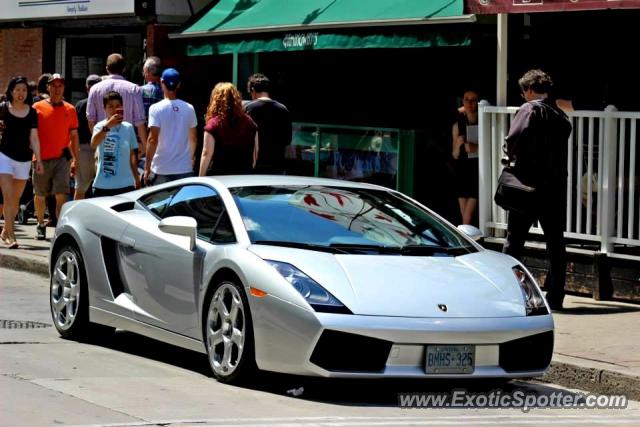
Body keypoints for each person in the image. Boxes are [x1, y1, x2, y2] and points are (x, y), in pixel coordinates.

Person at [502, 69, 572, 310]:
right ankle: (556, 296)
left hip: (528, 186)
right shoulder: (560, 116)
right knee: (555, 242)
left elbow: (514, 139)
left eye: (523, 92)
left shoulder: (529, 109)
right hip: (554, 188)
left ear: (529, 90)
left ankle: (507, 290)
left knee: (514, 241)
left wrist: (512, 156)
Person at [32, 73, 79, 240]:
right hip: (41, 158)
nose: (57, 89)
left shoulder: (70, 109)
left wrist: (75, 160)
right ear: (48, 87)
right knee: (40, 194)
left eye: (60, 86)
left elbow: (74, 136)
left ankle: (59, 227)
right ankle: (40, 223)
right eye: (54, 85)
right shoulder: (36, 108)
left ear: (64, 88)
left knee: (61, 194)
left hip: (61, 159)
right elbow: (31, 134)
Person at [0, 76, 44, 248]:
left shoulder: (32, 112)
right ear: (11, 91)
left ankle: (5, 231)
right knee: (8, 196)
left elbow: (34, 137)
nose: (20, 93)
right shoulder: (3, 108)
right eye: (17, 89)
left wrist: (38, 160)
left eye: (24, 90)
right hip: (4, 156)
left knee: (15, 201)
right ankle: (11, 236)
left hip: (24, 159)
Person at [144, 68, 197, 185]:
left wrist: (147, 167)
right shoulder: (189, 108)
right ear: (178, 85)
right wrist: (190, 158)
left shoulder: (155, 109)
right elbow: (193, 138)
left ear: (162, 82)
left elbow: (152, 139)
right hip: (184, 168)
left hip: (161, 168)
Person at [86, 53, 147, 154]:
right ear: (124, 69)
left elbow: (91, 120)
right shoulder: (134, 89)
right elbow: (140, 122)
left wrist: (99, 140)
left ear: (107, 69)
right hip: (126, 146)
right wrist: (145, 147)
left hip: (104, 146)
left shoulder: (94, 89)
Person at [199, 82, 258, 176]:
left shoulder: (213, 124)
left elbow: (206, 153)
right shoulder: (250, 122)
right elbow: (255, 151)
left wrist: (201, 178)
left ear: (215, 100)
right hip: (244, 178)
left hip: (220, 179)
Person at [90, 91, 139, 197]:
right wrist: (108, 126)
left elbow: (132, 155)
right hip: (103, 185)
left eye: (117, 106)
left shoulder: (128, 127)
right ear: (104, 109)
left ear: (122, 107)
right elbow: (93, 144)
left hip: (126, 184)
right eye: (110, 106)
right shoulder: (100, 126)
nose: (114, 109)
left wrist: (136, 177)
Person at [244, 73, 291, 174]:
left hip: (254, 165)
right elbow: (287, 140)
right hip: (277, 165)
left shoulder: (248, 109)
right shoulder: (283, 109)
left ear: (252, 90)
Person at [451, 90, 480, 225]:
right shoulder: (458, 125)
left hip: (477, 171)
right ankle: (468, 239)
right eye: (466, 99)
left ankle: (466, 240)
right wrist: (457, 145)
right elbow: (455, 155)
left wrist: (477, 148)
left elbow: (493, 148)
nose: (469, 103)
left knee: (467, 216)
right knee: (465, 216)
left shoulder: (484, 122)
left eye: (473, 99)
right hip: (462, 171)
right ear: (463, 101)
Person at [74, 74, 102, 199]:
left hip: (84, 148)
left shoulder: (80, 105)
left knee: (80, 187)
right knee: (101, 187)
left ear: (86, 88)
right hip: (101, 147)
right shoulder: (105, 104)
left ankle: (75, 215)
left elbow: (75, 132)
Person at [140, 56, 163, 123]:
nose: (143, 73)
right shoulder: (166, 91)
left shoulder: (140, 91)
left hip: (144, 130)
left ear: (147, 70)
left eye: (143, 70)